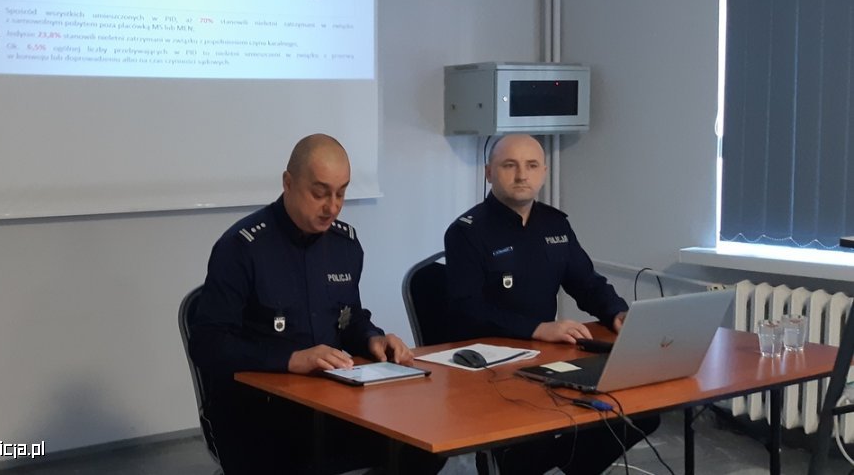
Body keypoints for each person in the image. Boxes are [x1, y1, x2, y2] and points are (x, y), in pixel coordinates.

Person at [190, 134, 444, 475]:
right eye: (320, 193)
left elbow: (349, 318)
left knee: (426, 443)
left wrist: (373, 338)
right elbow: (208, 343)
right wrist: (290, 359)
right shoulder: (242, 248)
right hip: (258, 412)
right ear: (288, 183)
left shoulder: (344, 245)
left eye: (341, 193)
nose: (332, 206)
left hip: (332, 403)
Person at [444, 133, 659, 475]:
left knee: (640, 411)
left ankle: (562, 466)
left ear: (543, 172)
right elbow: (468, 309)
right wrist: (536, 328)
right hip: (492, 364)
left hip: (547, 357)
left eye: (531, 166)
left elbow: (586, 283)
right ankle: (529, 462)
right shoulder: (467, 232)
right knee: (535, 439)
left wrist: (616, 311)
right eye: (509, 165)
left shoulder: (554, 224)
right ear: (488, 172)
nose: (521, 175)